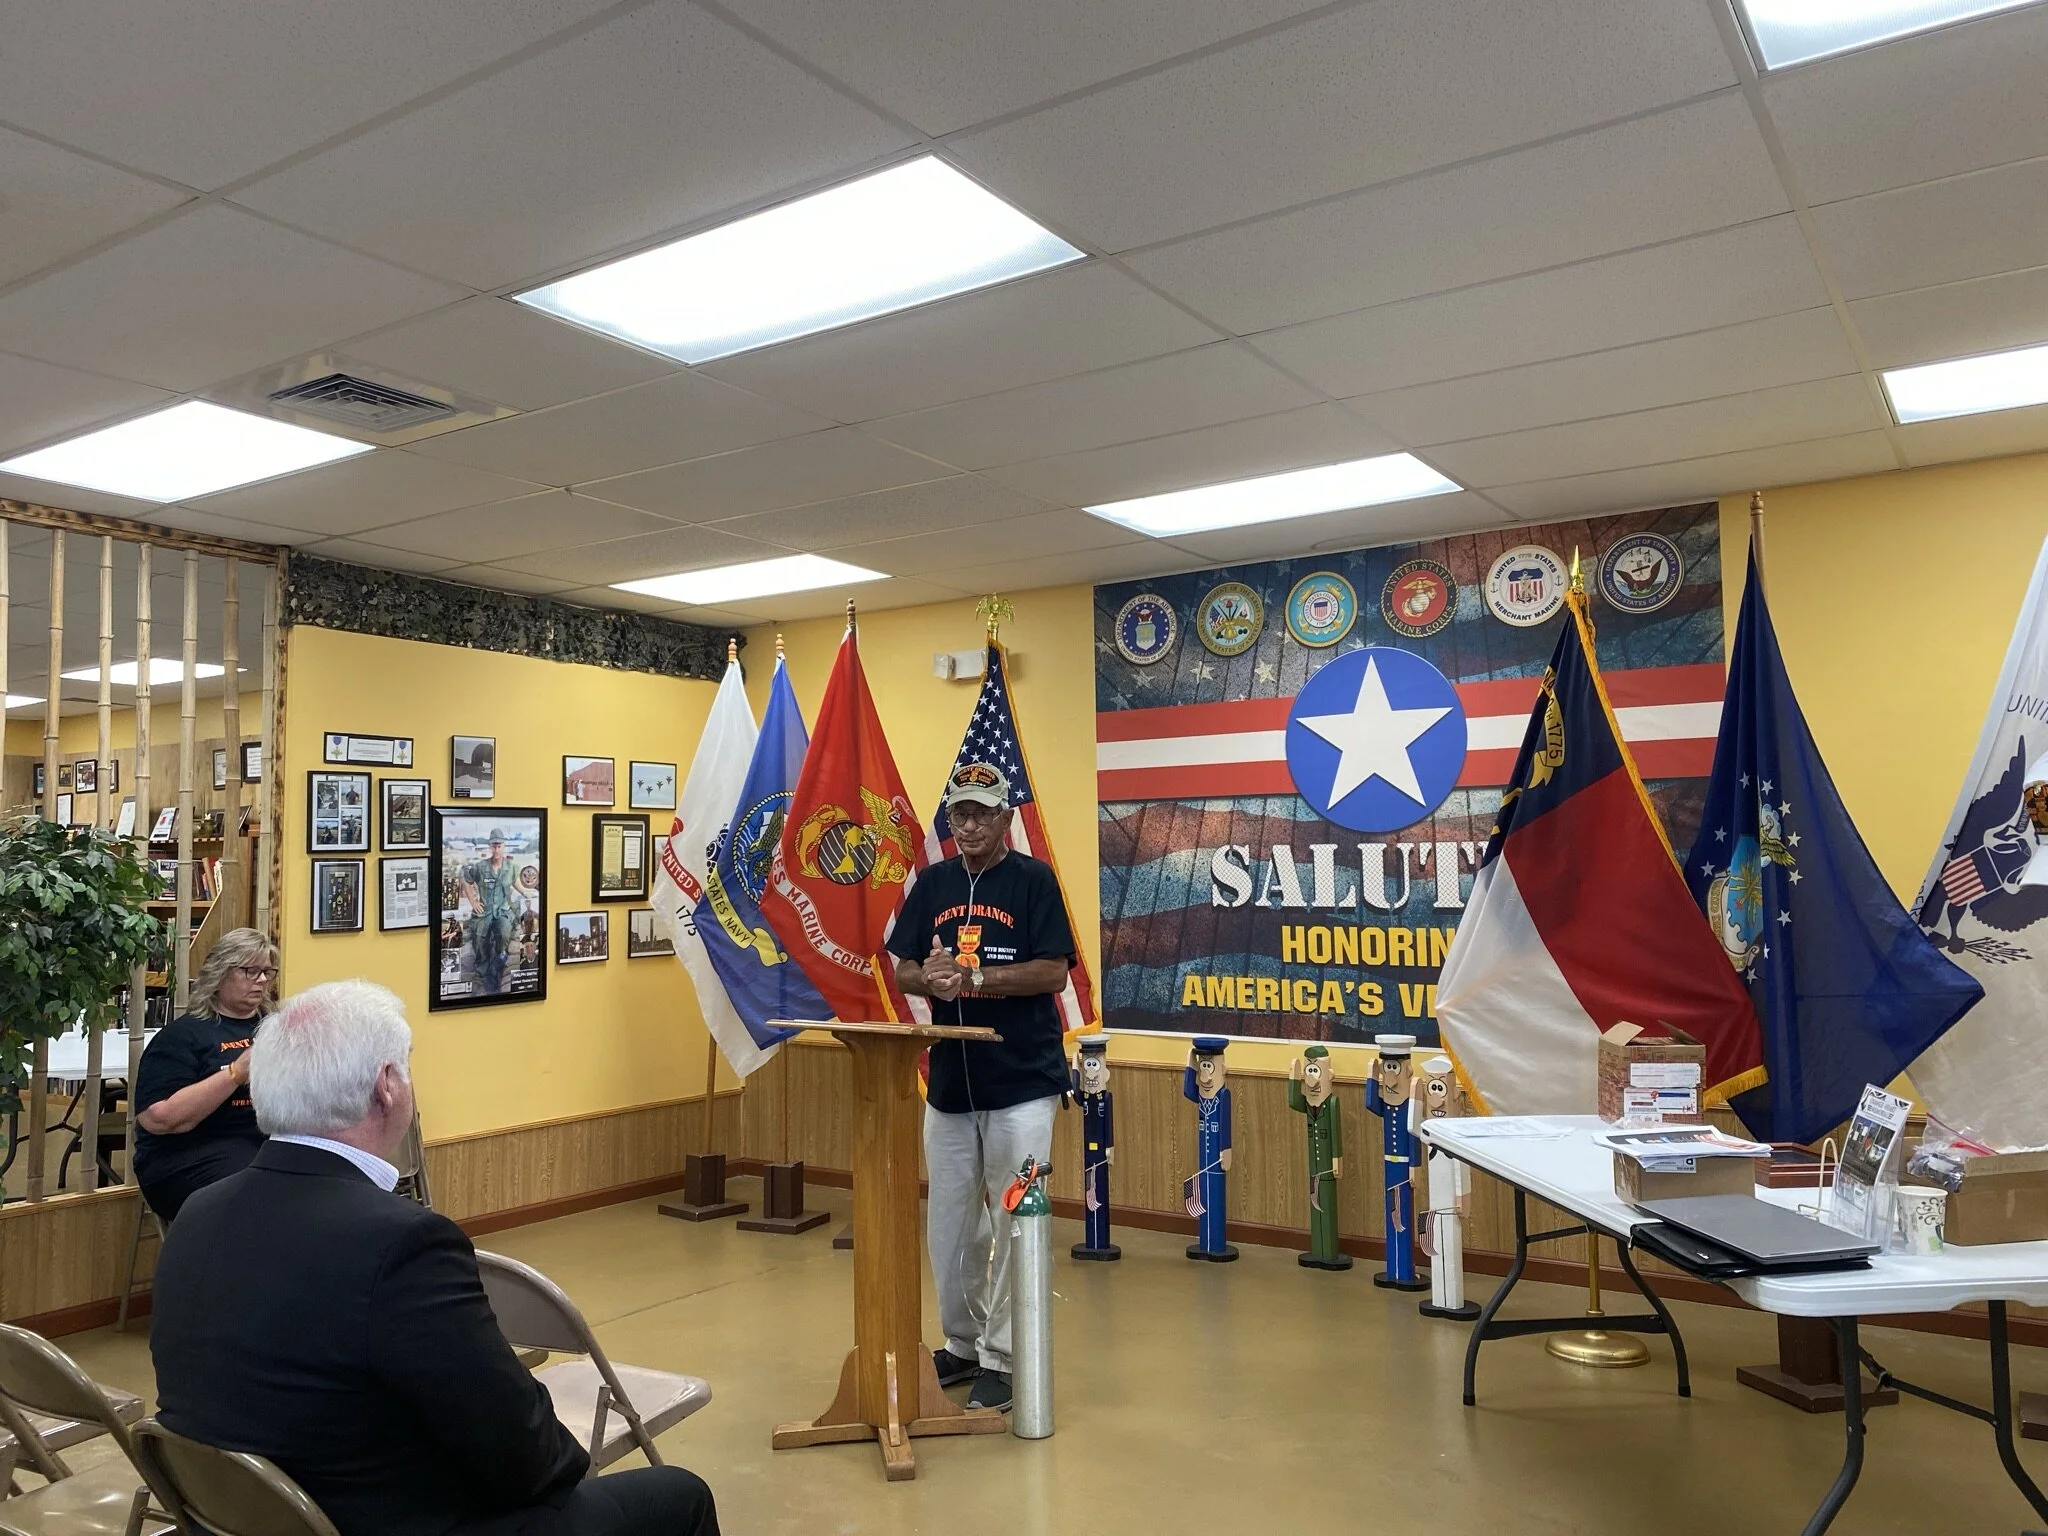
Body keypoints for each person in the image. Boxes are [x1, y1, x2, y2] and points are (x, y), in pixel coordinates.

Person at [149, 980, 718, 1536]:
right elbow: (528, 1456)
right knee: (678, 1496)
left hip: (234, 1516)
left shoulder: (198, 1212)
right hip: (386, 1519)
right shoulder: (401, 1243)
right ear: (387, 1085)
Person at [889, 762, 1078, 1414]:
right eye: (959, 814)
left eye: (981, 813)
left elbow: (1053, 973)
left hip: (1022, 1083)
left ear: (1004, 817)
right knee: (950, 1227)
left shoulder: (1033, 881)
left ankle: (1005, 1355)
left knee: (1014, 1220)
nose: (969, 825)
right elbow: (905, 967)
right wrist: (930, 978)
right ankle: (964, 1343)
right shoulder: (935, 883)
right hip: (949, 1084)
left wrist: (975, 980)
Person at [131, 927, 275, 1221]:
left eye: (267, 972)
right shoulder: (183, 1036)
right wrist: (235, 1073)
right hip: (188, 1155)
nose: (261, 980)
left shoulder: (276, 1028)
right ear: (220, 973)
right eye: (250, 971)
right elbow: (159, 1119)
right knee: (260, 1196)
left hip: (264, 1145)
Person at [460, 829, 523, 995]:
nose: (496, 850)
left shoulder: (511, 867)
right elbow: (466, 881)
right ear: (490, 846)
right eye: (494, 846)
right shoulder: (480, 867)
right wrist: (473, 901)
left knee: (504, 931)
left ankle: (500, 958)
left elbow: (516, 883)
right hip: (484, 911)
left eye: (499, 846)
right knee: (480, 938)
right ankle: (485, 973)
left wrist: (527, 893)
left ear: (504, 846)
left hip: (502, 910)